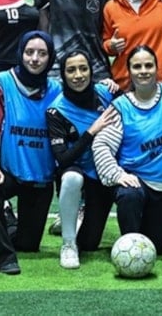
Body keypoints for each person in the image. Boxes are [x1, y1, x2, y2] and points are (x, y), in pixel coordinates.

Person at [92, 45, 162, 255]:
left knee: (156, 248)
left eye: (148, 65)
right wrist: (118, 175)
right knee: (130, 198)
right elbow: (101, 145)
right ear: (129, 71)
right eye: (137, 67)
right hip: (137, 185)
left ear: (157, 68)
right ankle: (128, 244)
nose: (143, 71)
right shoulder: (121, 106)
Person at [0, 31, 62, 275]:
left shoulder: (56, 89)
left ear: (50, 58)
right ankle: (3, 257)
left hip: (40, 176)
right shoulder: (2, 82)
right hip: (7, 170)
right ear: (20, 54)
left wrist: (107, 86)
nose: (35, 58)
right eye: (29, 52)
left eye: (42, 53)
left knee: (28, 244)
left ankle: (2, 223)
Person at [45, 51, 120, 268]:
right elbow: (63, 159)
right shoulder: (56, 110)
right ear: (63, 75)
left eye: (83, 69)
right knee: (72, 178)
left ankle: (75, 218)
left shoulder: (106, 93)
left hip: (102, 172)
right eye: (71, 70)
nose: (78, 75)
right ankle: (68, 243)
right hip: (75, 170)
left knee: (89, 244)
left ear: (91, 71)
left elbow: (135, 100)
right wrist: (91, 131)